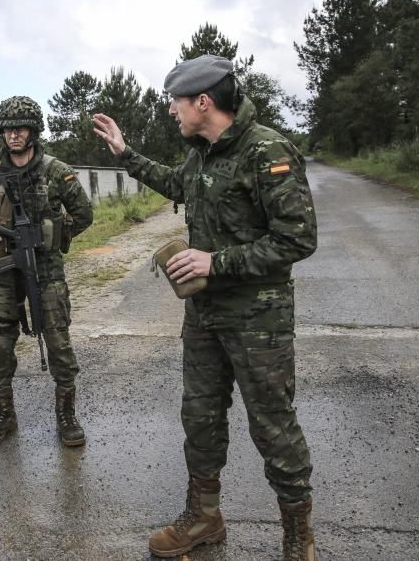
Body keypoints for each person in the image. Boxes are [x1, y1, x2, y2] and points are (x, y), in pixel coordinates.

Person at [92, 55, 318, 560]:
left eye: (176, 101)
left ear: (203, 101)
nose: (171, 110)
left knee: (272, 423)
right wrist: (126, 154)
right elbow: (179, 184)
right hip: (203, 316)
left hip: (259, 319)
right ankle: (205, 518)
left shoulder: (268, 151)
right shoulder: (200, 153)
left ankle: (297, 537)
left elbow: (298, 239)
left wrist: (216, 262)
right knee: (200, 416)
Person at [0, 96, 93, 447]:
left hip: (46, 270)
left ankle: (66, 414)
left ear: (34, 131)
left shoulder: (56, 171)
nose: (13, 135)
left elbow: (84, 214)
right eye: (8, 129)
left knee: (57, 338)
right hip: (1, 273)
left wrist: (52, 233)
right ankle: (4, 414)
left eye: (20, 128)